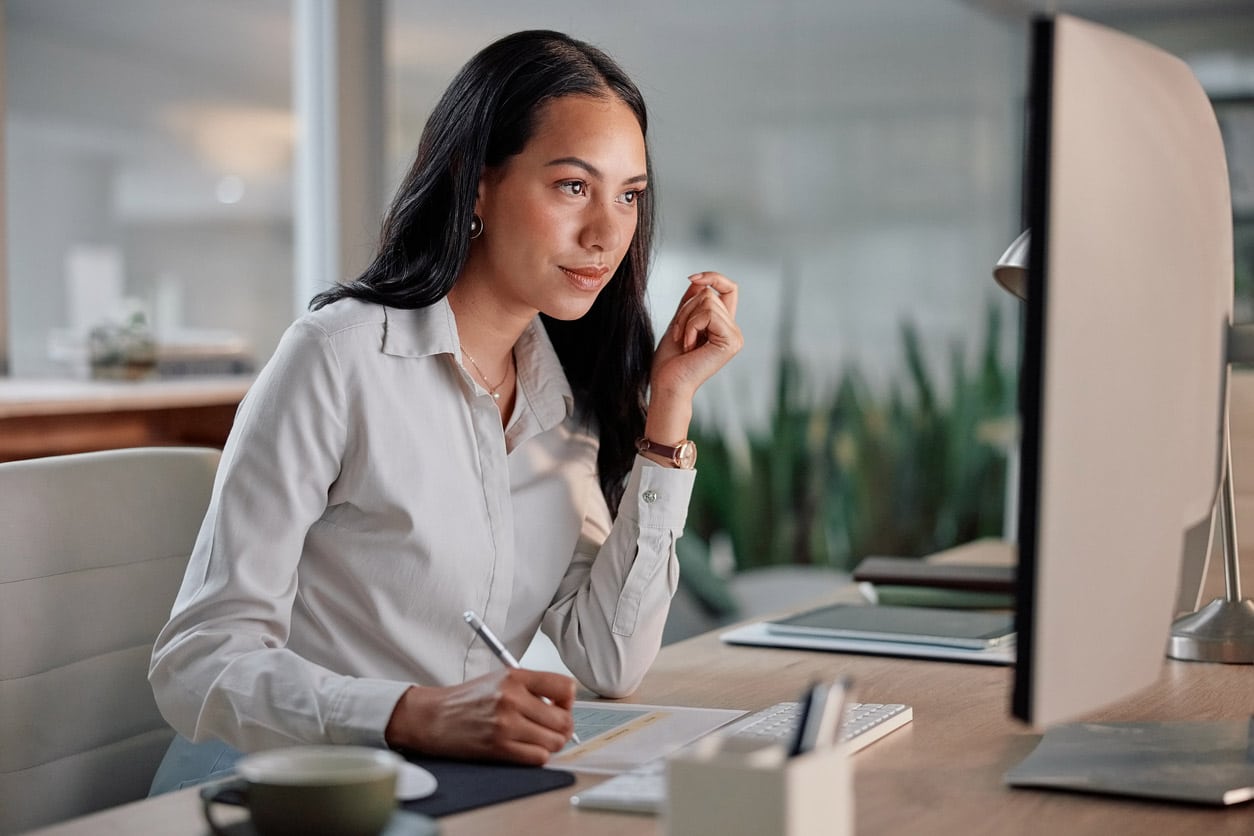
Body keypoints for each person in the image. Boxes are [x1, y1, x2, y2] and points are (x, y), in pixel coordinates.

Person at [147, 29, 742, 791]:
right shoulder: (338, 357)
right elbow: (198, 664)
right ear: (477, 181)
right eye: (571, 186)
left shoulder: (566, 401)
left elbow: (610, 658)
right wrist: (413, 713)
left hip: (441, 789)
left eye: (628, 196)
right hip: (269, 789)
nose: (606, 233)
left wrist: (670, 408)